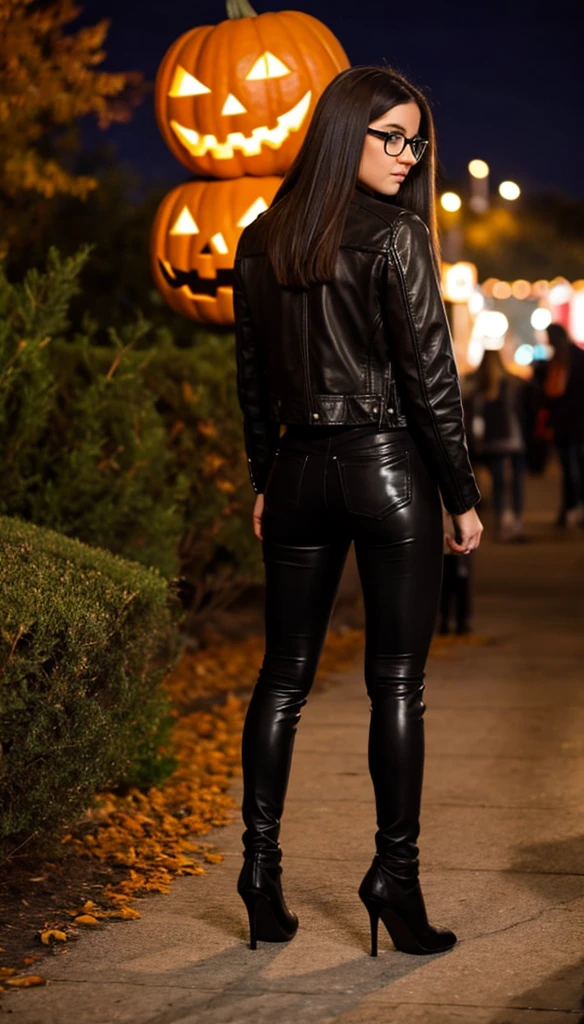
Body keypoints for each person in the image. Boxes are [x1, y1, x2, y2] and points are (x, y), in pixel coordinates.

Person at [232, 64, 483, 958]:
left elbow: (255, 388)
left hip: (297, 467)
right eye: (392, 137)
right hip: (384, 468)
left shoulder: (259, 241)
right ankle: (395, 882)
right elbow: (430, 380)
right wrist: (462, 494)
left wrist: (268, 478)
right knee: (397, 684)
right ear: (347, 132)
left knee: (282, 678)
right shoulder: (396, 237)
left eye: (416, 140)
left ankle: (259, 873)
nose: (410, 156)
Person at [462, 347, 531, 542]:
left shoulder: (477, 385)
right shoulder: (512, 383)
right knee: (517, 481)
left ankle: (501, 519)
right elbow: (522, 411)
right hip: (515, 439)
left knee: (499, 482)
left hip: (492, 441)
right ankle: (518, 520)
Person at [541, 322, 584, 527]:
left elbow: (552, 394)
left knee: (569, 469)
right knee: (577, 467)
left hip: (565, 424)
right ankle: (574, 509)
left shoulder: (559, 361)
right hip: (576, 423)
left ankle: (569, 509)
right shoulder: (578, 357)